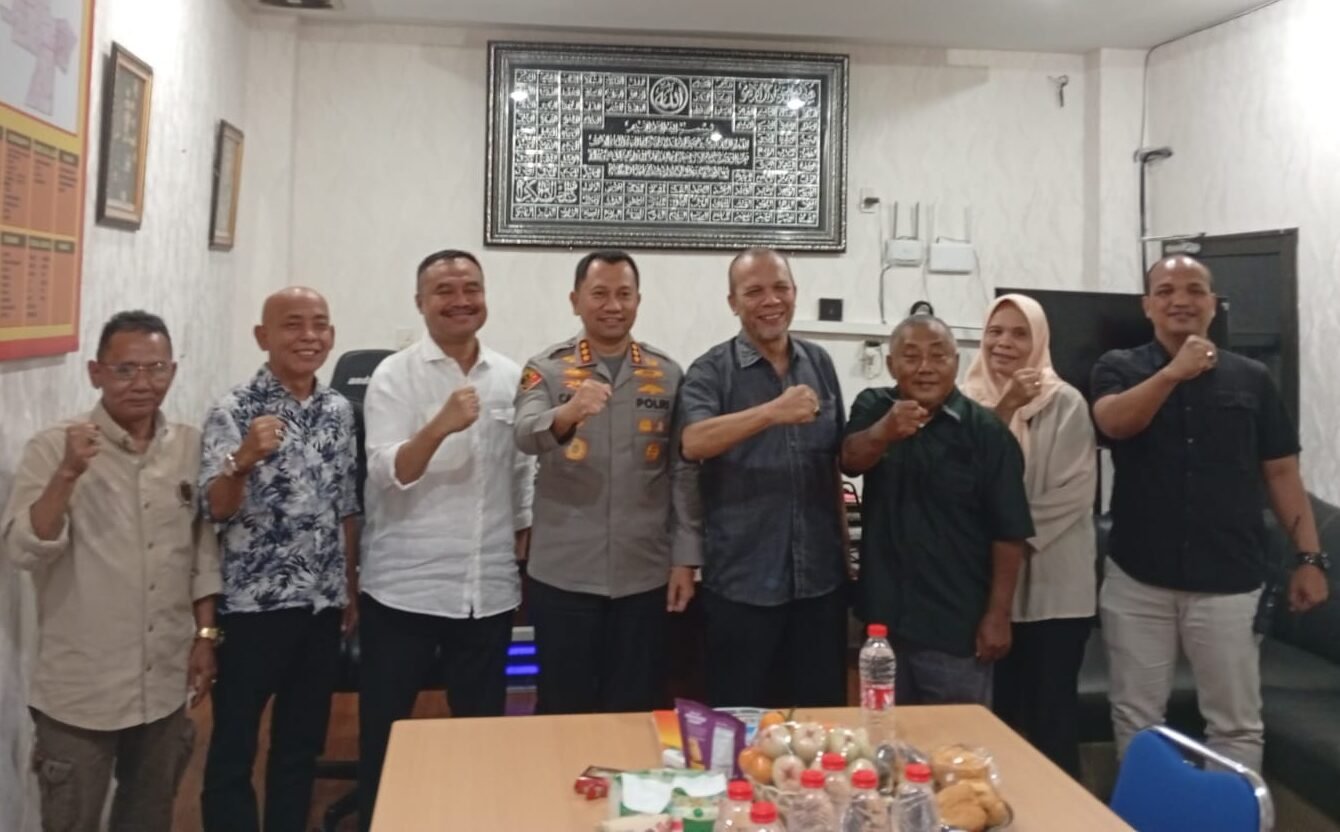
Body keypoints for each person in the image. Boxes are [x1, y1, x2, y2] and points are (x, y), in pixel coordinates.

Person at [1092, 255, 1328, 772]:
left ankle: (1231, 812)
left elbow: (1282, 473)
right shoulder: (1119, 367)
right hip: (1139, 576)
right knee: (1136, 716)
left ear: (1213, 304)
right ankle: (1149, 811)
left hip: (1229, 578)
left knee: (1235, 723)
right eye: (1166, 290)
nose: (1181, 300)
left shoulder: (1253, 379)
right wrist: (1173, 373)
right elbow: (1113, 424)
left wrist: (1310, 558)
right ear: (1148, 305)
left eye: (1195, 290)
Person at [1, 311, 220, 832]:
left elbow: (202, 552)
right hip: (81, 691)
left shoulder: (189, 446)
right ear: (96, 373)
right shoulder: (55, 447)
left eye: (156, 368)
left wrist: (206, 636)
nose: (143, 383)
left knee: (149, 818)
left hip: (163, 680)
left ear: (173, 371)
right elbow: (25, 551)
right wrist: (68, 474)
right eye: (125, 370)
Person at [357, 249, 534, 828]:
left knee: (480, 735)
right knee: (386, 736)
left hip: (487, 590)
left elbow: (520, 475)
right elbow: (390, 473)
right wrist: (439, 425)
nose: (461, 300)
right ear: (420, 302)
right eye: (445, 290)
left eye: (471, 288)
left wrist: (522, 544)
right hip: (404, 590)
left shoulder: (510, 376)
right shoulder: (394, 375)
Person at [198, 288, 359, 831]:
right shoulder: (234, 409)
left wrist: (349, 587)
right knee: (234, 746)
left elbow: (346, 506)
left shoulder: (338, 410)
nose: (309, 336)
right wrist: (241, 459)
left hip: (321, 604)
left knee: (300, 745)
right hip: (252, 608)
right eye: (293, 324)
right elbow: (215, 510)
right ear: (262, 336)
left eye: (320, 324)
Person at [514, 250, 701, 714]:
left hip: (644, 573)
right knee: (563, 707)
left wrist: (685, 559)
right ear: (575, 300)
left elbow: (682, 471)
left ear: (638, 300)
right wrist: (569, 411)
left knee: (636, 708)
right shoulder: (546, 368)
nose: (613, 305)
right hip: (564, 573)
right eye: (599, 294)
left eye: (624, 294)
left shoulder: (667, 373)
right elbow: (524, 435)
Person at [678, 247, 848, 708]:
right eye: (754, 291)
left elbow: (833, 464)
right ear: (733, 302)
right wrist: (772, 412)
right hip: (743, 584)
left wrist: (845, 559)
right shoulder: (711, 370)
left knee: (818, 722)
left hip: (819, 582)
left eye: (780, 288)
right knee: (740, 723)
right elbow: (693, 441)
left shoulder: (819, 363)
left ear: (795, 293)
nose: (770, 300)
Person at [841, 314, 1034, 706]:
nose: (925, 367)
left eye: (938, 355)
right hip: (883, 626)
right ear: (891, 364)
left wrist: (998, 615)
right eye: (911, 356)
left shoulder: (988, 433)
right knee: (880, 731)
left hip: (955, 625)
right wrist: (884, 431)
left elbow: (1009, 533)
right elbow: (850, 461)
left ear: (956, 363)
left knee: (956, 738)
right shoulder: (873, 407)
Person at [961, 294, 1097, 776]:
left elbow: (1073, 493)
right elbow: (962, 477)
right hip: (982, 587)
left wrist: (998, 528)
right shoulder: (965, 401)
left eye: (1020, 334)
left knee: (1050, 719)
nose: (1004, 343)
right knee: (990, 720)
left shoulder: (1065, 402)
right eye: (995, 331)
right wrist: (1006, 406)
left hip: (1054, 591)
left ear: (1039, 341)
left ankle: (1060, 811)